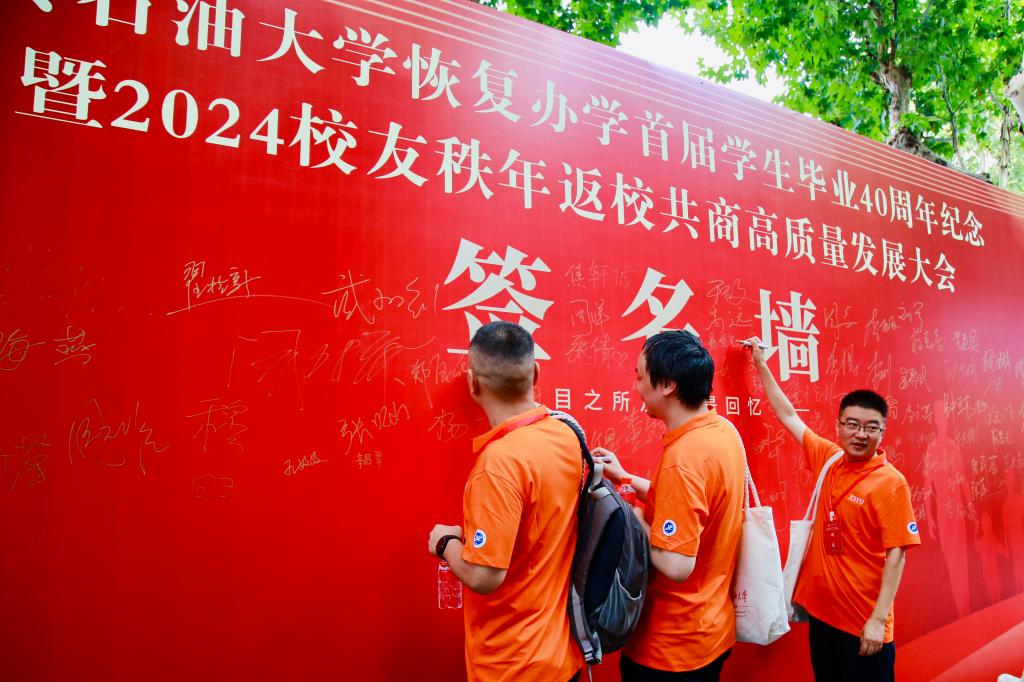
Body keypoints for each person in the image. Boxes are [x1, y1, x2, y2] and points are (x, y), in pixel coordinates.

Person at [743, 337, 921, 682]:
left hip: (862, 625)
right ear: (838, 426)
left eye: (871, 427)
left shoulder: (891, 482)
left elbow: (898, 554)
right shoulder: (829, 459)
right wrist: (761, 364)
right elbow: (787, 415)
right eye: (852, 424)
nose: (861, 434)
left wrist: (878, 620)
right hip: (822, 616)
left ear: (882, 432)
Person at [427, 321, 583, 682]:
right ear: (536, 373)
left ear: (472, 384)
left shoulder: (499, 465)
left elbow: (484, 576)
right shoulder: (566, 435)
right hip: (562, 655)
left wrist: (445, 543)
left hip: (513, 664)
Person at [593, 330, 744, 682]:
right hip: (709, 629)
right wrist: (625, 478)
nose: (636, 387)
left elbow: (676, 564)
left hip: (672, 647)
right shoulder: (720, 431)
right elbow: (689, 505)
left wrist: (633, 519)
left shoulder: (684, 459)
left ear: (667, 385)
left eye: (640, 377)